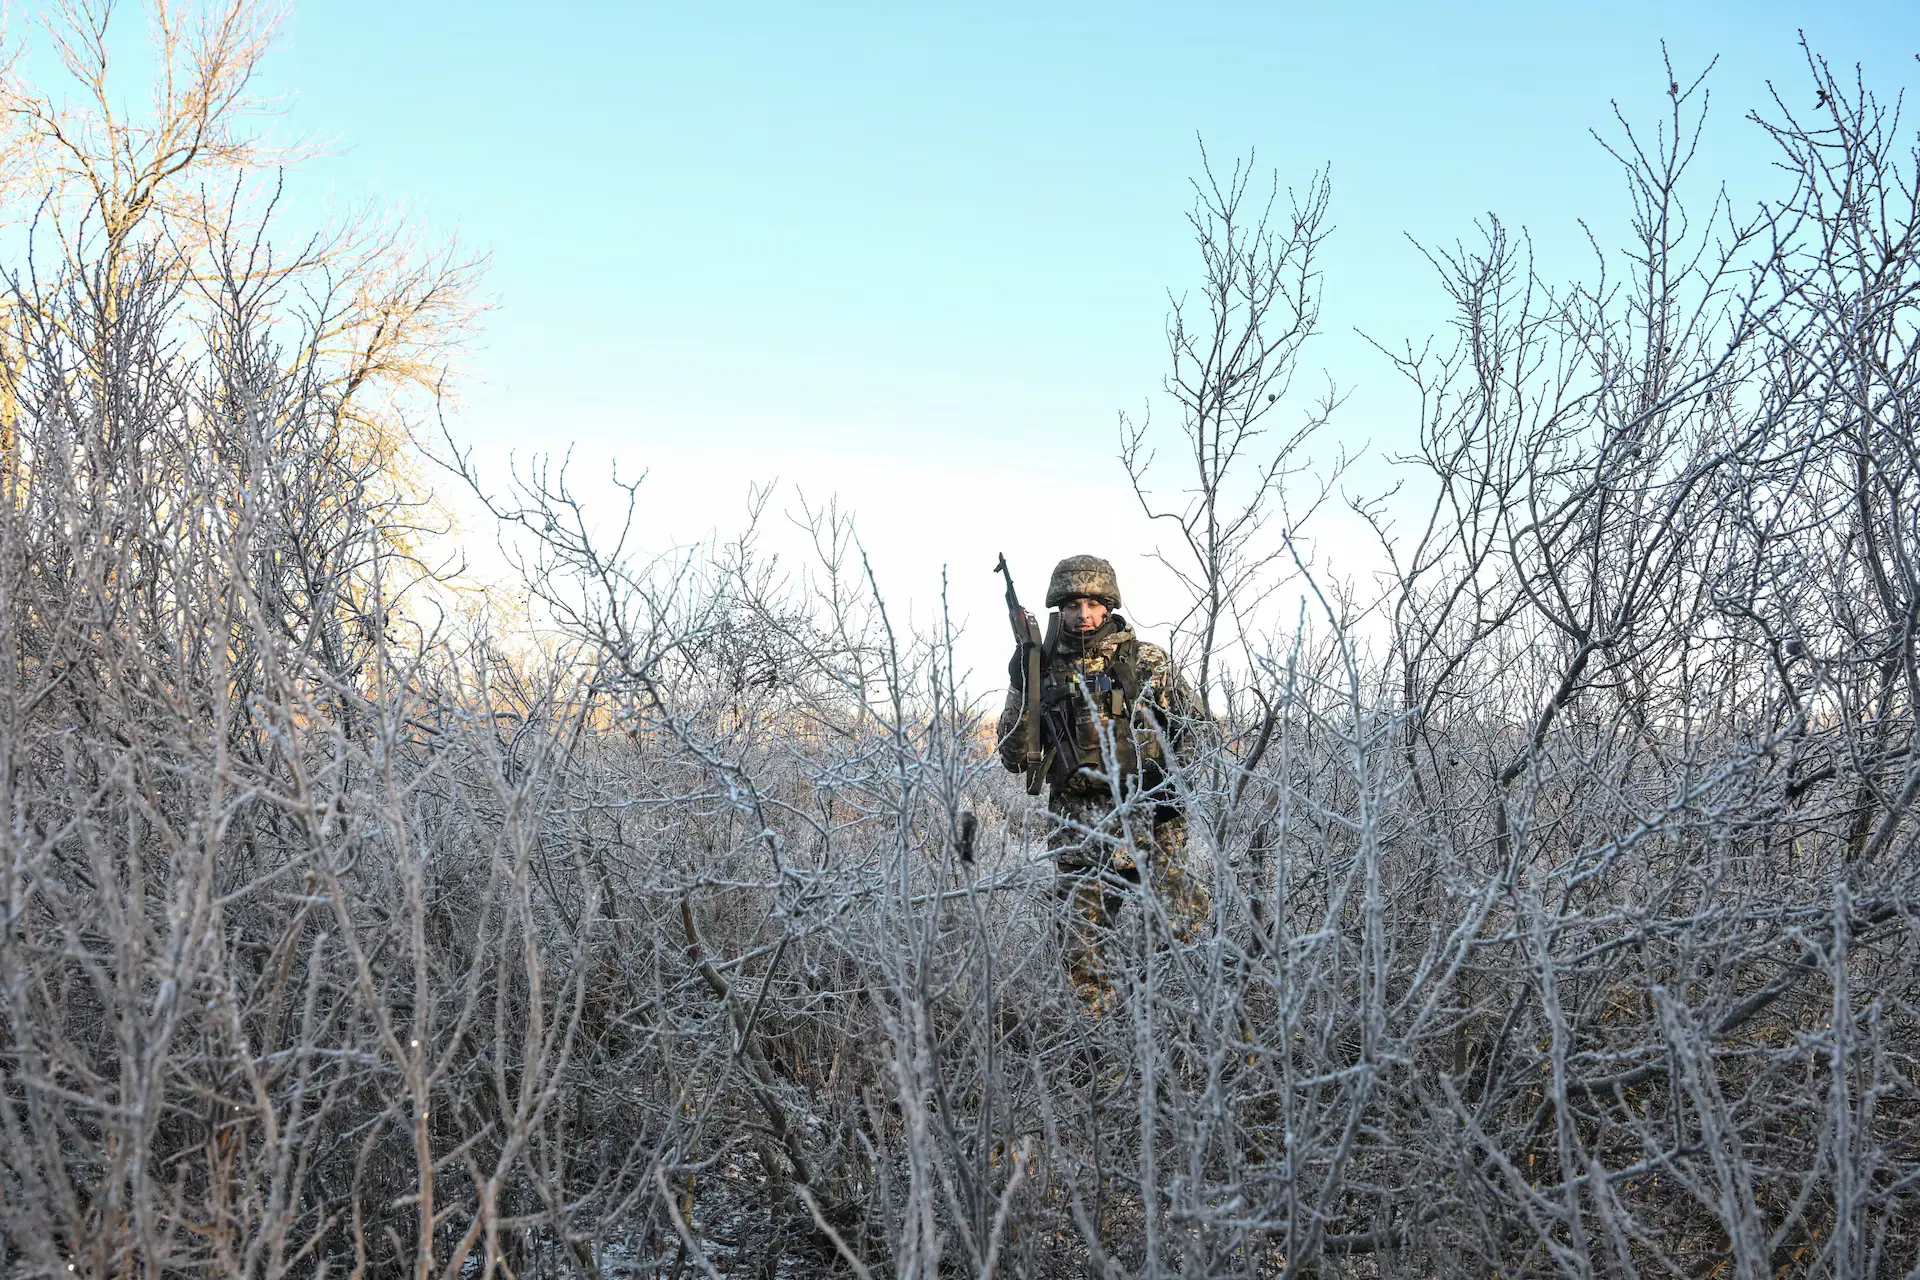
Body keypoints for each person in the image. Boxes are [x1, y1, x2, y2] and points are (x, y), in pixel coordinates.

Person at [996, 554, 1211, 1013]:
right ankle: (1105, 1055)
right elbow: (1013, 759)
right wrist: (1023, 683)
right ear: (1060, 607)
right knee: (1083, 954)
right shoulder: (1039, 666)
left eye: (1094, 603)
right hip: (1080, 831)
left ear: (1109, 604)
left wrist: (1170, 782)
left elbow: (1196, 729)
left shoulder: (1146, 660)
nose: (1084, 613)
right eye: (1074, 604)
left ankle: (1182, 1034)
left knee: (1184, 935)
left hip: (1154, 824)